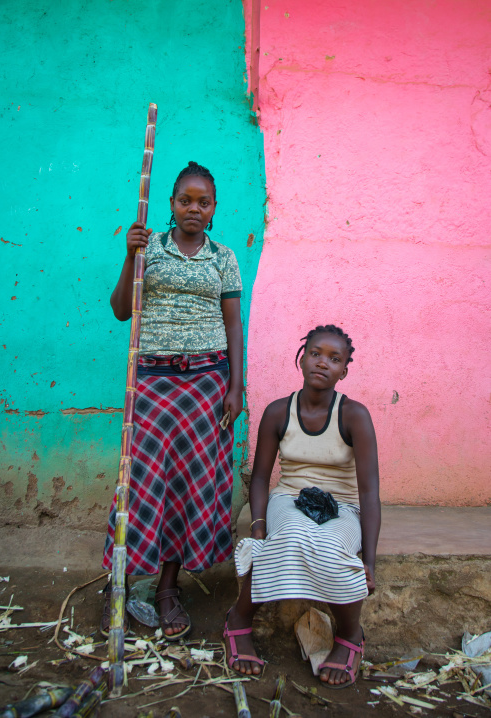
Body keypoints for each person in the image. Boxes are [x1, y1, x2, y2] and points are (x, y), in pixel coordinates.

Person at [101, 161, 244, 641]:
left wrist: (235, 384)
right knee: (140, 484)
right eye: (186, 200)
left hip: (206, 381)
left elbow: (233, 326)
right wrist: (129, 256)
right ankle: (118, 586)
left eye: (204, 202)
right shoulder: (149, 248)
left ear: (214, 209)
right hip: (154, 380)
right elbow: (122, 310)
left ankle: (167, 589)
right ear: (171, 204)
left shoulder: (224, 257)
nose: (194, 209)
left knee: (189, 488)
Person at [223, 324, 380, 688]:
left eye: (334, 358)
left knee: (331, 546)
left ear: (344, 370)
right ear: (302, 358)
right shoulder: (279, 412)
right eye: (315, 353)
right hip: (289, 498)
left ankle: (350, 635)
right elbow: (260, 477)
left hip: (342, 506)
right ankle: (239, 620)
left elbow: (369, 493)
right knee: (288, 536)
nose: (322, 363)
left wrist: (369, 560)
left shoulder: (354, 415)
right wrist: (259, 523)